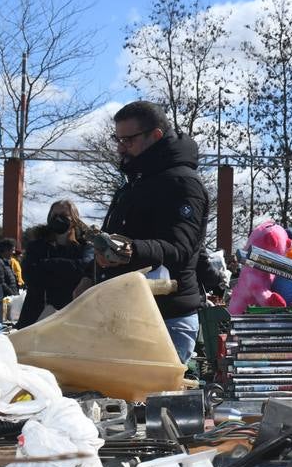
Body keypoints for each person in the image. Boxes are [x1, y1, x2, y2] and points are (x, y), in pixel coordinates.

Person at [82, 100, 210, 363]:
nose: (120, 147)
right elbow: (115, 234)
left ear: (156, 136)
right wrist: (89, 275)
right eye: (117, 139)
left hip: (166, 318)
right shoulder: (137, 182)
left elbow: (182, 247)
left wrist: (131, 250)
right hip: (131, 313)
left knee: (154, 403)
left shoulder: (184, 183)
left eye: (128, 140)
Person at [17, 200, 93, 328]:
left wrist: (47, 264)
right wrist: (67, 269)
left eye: (63, 214)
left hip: (72, 316)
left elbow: (85, 268)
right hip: (36, 315)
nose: (58, 218)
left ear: (74, 219)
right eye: (54, 215)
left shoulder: (86, 246)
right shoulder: (36, 245)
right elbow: (29, 275)